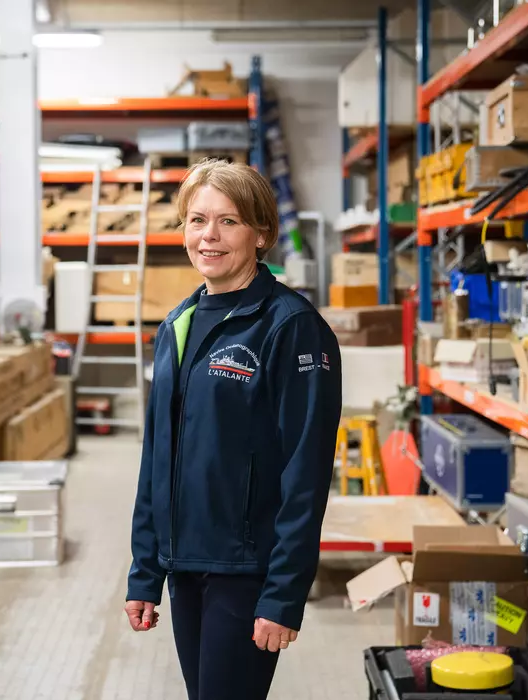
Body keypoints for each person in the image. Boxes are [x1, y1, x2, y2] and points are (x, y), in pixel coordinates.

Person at [125, 159, 342, 700]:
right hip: (184, 566)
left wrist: (283, 595)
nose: (209, 237)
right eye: (197, 220)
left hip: (246, 570)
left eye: (228, 221)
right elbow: (158, 457)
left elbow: (306, 472)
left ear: (261, 232)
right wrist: (145, 570)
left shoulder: (291, 327)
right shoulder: (177, 323)